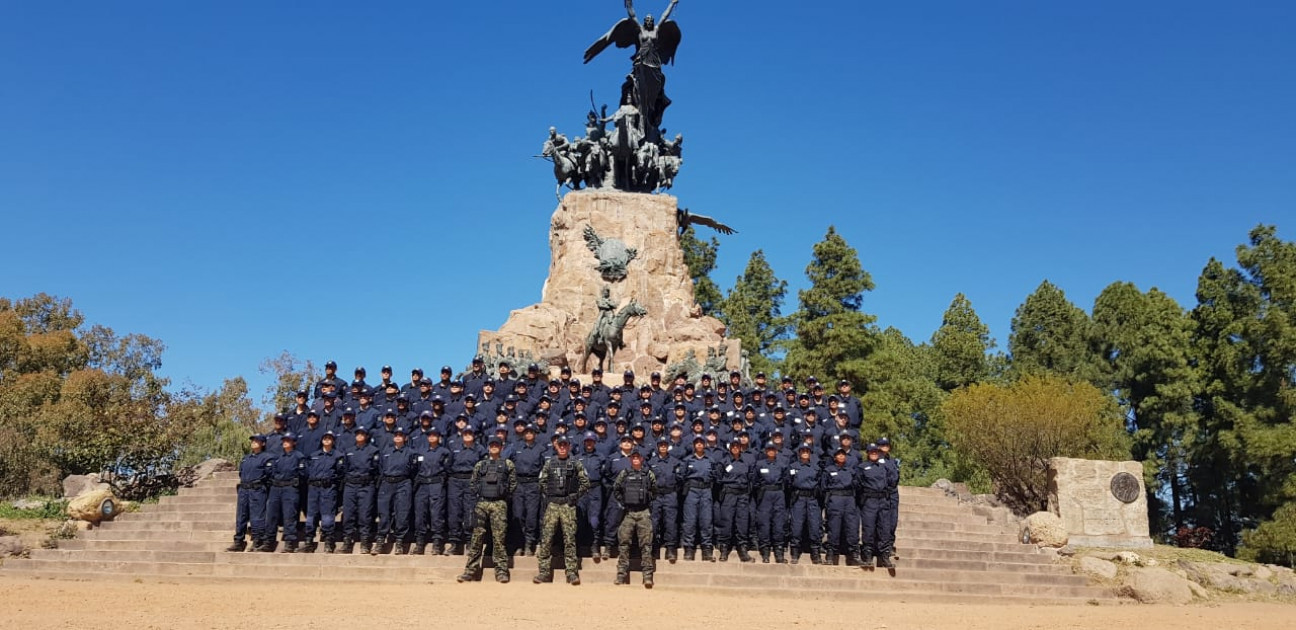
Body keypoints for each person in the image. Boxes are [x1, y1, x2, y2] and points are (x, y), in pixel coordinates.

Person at [458, 435, 517, 583]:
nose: (494, 447)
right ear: (488, 447)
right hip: (482, 504)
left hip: (499, 504)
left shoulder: (508, 464)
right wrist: (480, 494)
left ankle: (501, 571)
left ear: (501, 447)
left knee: (499, 539)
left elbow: (513, 484)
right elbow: (473, 483)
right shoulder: (480, 464)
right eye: (492, 445)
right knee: (477, 537)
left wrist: (503, 496)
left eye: (497, 445)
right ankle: (470, 570)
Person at [535, 435, 590, 586]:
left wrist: (575, 496)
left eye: (565, 445)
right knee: (546, 539)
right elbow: (541, 481)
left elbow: (585, 483)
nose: (563, 447)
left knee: (570, 539)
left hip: (568, 505)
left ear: (569, 446)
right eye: (560, 445)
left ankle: (571, 572)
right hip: (552, 504)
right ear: (556, 446)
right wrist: (550, 495)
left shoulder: (575, 464)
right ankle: (544, 572)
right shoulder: (549, 463)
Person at [612, 451, 656, 588]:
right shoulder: (624, 473)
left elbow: (655, 490)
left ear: (641, 458)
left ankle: (647, 576)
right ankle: (621, 574)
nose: (636, 459)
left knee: (646, 545)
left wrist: (647, 501)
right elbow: (616, 489)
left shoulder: (648, 474)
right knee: (624, 543)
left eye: (638, 457)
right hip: (629, 513)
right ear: (630, 459)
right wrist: (623, 502)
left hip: (643, 512)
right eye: (633, 457)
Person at [227, 434, 273, 552]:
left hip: (257, 490)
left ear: (263, 444)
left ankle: (258, 541)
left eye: (257, 441)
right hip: (244, 490)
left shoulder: (267, 458)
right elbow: (241, 473)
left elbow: (269, 475)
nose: (254, 442)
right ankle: (239, 541)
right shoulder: (246, 458)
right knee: (241, 516)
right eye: (252, 440)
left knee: (257, 517)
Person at [374, 427, 416, 554]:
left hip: (403, 483)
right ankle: (381, 540)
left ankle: (400, 541)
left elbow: (414, 470)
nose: (398, 437)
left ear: (405, 438)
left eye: (400, 435)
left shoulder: (410, 452)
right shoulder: (386, 451)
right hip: (387, 483)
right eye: (396, 435)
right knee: (384, 513)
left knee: (402, 513)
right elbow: (381, 467)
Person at [302, 430, 344, 553]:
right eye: (325, 437)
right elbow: (307, 471)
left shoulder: (337, 455)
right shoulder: (314, 455)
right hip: (314, 489)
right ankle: (309, 541)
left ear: (333, 440)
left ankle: (329, 542)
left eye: (329, 438)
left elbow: (341, 473)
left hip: (328, 489)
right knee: (311, 516)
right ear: (321, 440)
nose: (327, 439)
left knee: (327, 517)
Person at [508, 424, 547, 555]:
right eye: (526, 432)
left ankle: (529, 544)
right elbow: (509, 464)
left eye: (531, 432)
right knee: (518, 515)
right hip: (519, 484)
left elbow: (544, 468)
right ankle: (519, 543)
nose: (529, 434)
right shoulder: (516, 448)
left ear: (535, 434)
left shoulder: (541, 449)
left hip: (533, 484)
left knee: (531, 515)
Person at [446, 427, 486, 555]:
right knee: (454, 511)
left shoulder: (479, 449)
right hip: (455, 481)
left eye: (470, 433)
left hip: (471, 480)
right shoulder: (455, 448)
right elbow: (448, 465)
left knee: (470, 511)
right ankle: (454, 542)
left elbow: (483, 467)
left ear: (474, 435)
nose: (468, 435)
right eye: (466, 433)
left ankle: (470, 542)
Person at [412, 428, 451, 555]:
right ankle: (419, 542)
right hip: (422, 485)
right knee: (420, 514)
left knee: (437, 514)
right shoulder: (421, 451)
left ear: (439, 437)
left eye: (435, 435)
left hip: (436, 484)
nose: (432, 437)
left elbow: (447, 468)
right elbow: (415, 468)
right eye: (430, 435)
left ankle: (437, 543)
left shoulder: (444, 452)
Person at [340, 426, 379, 554]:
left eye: (363, 433)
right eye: (358, 433)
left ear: (367, 436)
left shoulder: (373, 451)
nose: (360, 435)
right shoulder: (349, 450)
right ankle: (347, 541)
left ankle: (365, 541)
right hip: (350, 485)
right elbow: (345, 468)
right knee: (348, 514)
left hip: (366, 485)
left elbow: (376, 469)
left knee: (365, 515)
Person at [858, 443, 898, 569]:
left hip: (883, 500)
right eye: (872, 452)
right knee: (869, 529)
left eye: (876, 451)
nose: (874, 453)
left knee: (885, 529)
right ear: (868, 453)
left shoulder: (884, 466)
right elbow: (857, 484)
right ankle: (868, 555)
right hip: (869, 501)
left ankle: (884, 556)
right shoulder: (862, 467)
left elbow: (893, 480)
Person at [266, 433, 306, 552]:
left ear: (294, 442)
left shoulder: (299, 456)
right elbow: (272, 471)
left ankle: (290, 542)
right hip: (276, 488)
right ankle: (269, 541)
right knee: (271, 515)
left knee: (290, 515)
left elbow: (303, 474)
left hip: (290, 488)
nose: (285, 442)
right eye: (284, 440)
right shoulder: (277, 456)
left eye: (288, 440)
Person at [821, 447, 861, 566]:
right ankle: (830, 555)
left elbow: (857, 485)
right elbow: (823, 487)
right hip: (835, 499)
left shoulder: (851, 471)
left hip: (849, 500)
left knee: (852, 528)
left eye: (843, 454)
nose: (841, 456)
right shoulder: (828, 470)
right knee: (834, 528)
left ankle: (854, 554)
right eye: (839, 455)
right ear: (834, 457)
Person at [680, 436, 717, 561]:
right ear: (694, 445)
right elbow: (681, 476)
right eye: (697, 443)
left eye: (702, 443)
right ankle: (689, 548)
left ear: (705, 445)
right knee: (690, 520)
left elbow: (714, 476)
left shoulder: (710, 460)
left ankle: (706, 548)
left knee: (706, 520)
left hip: (706, 491)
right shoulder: (687, 460)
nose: (700, 445)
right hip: (692, 491)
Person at [787, 444, 823, 564]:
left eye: (807, 451)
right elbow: (788, 483)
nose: (805, 453)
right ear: (799, 452)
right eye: (803, 451)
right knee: (796, 525)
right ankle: (795, 552)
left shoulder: (816, 467)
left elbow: (820, 483)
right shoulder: (793, 467)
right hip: (799, 499)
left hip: (812, 499)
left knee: (814, 525)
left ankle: (815, 553)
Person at [753, 441, 789, 563]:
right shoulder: (759, 464)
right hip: (765, 495)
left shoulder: (782, 464)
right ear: (765, 451)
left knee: (779, 523)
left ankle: (779, 551)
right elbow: (755, 480)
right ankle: (765, 551)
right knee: (764, 523)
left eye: (773, 449)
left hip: (778, 494)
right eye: (769, 449)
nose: (771, 451)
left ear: (776, 451)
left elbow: (786, 479)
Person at [647, 438, 680, 563]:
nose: (663, 447)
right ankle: (654, 548)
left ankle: (670, 548)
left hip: (670, 494)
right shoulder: (651, 462)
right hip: (656, 496)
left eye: (665, 445)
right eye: (661, 445)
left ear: (668, 446)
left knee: (670, 522)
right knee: (654, 523)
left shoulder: (675, 462)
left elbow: (679, 479)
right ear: (657, 447)